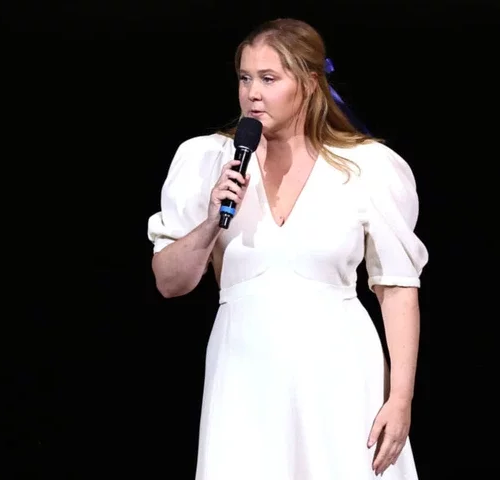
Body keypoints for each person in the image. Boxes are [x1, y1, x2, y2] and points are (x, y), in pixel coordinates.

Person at [148, 18, 429, 480]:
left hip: (340, 371)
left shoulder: (367, 167)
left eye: (268, 79)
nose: (252, 93)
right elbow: (169, 282)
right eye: (244, 78)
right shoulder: (206, 159)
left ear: (310, 84)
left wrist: (400, 400)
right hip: (244, 370)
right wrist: (210, 221)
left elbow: (397, 290)